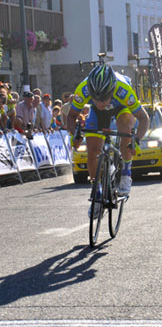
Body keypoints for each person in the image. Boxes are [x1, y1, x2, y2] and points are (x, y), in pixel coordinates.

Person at [67, 64, 149, 214]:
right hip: (97, 115)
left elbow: (144, 118)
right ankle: (97, 190)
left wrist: (135, 140)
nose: (100, 103)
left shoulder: (123, 90)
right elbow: (71, 116)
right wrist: (75, 135)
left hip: (121, 108)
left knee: (124, 128)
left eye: (104, 98)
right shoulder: (83, 89)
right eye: (96, 98)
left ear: (111, 91)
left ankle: (126, 173)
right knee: (92, 150)